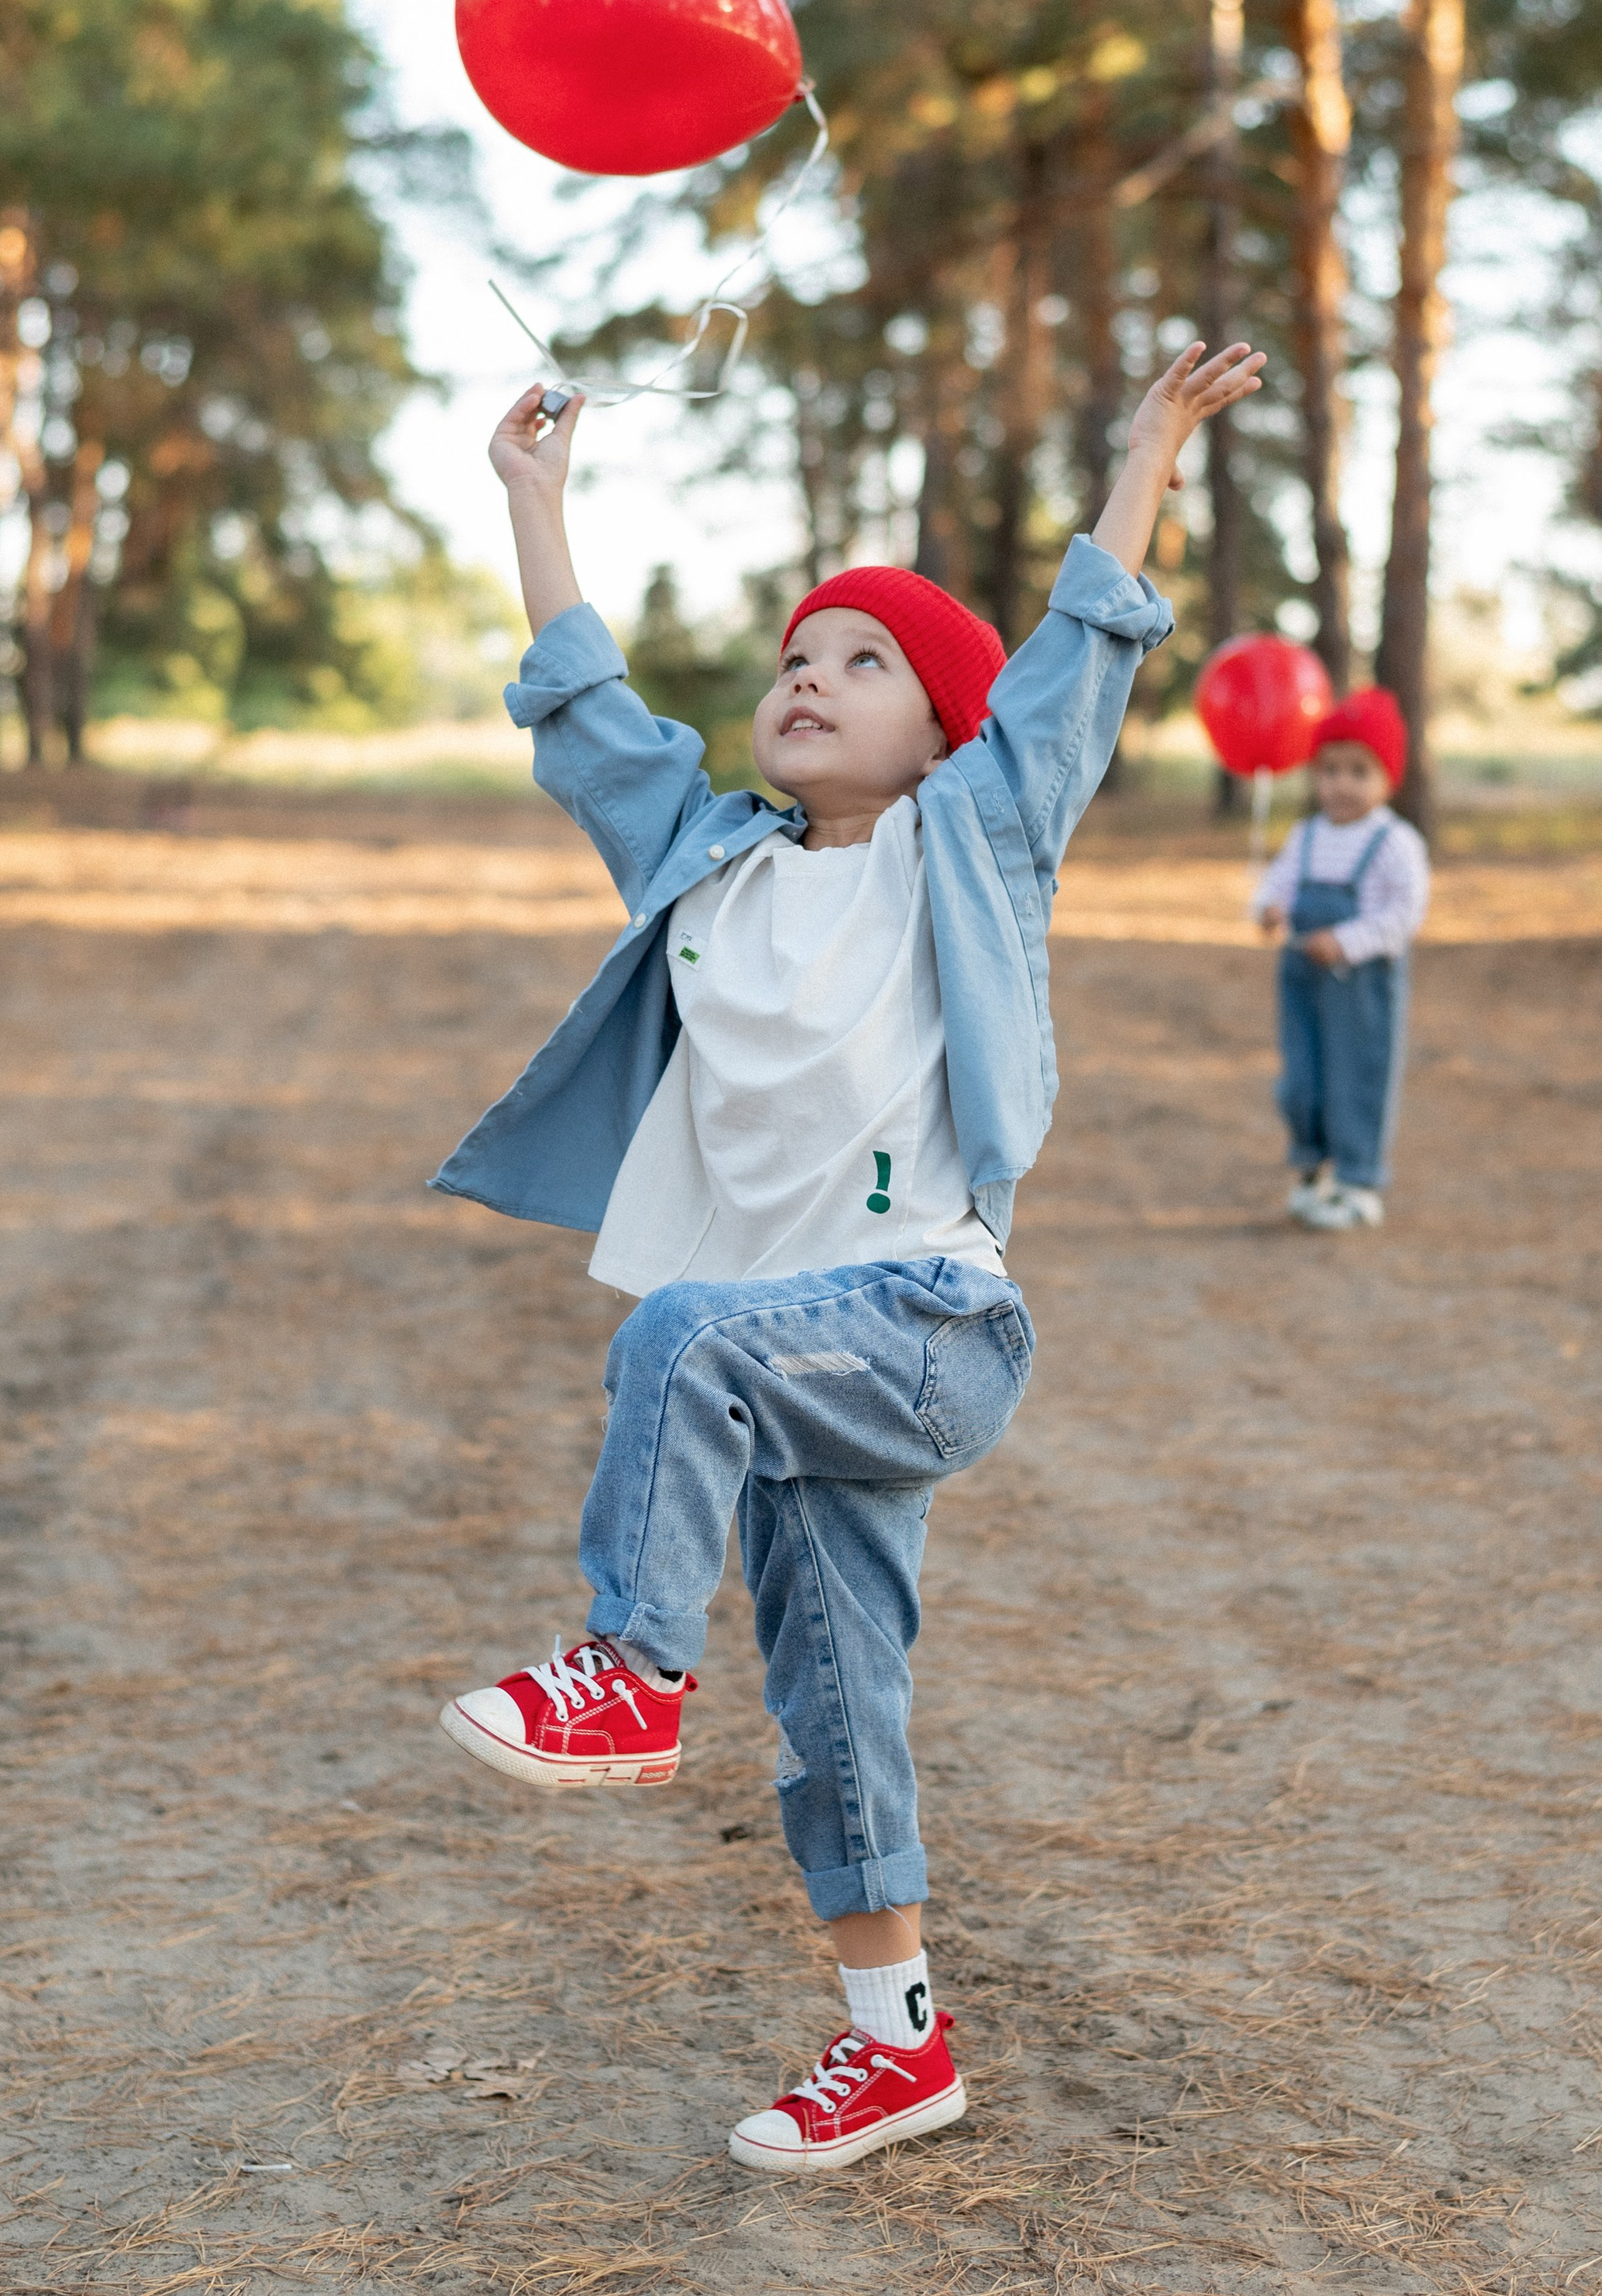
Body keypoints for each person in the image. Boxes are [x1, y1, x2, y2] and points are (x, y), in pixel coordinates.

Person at [429, 335, 1265, 2175]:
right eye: (795, 655)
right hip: (801, 1357)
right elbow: (588, 715)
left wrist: (1143, 452)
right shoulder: (706, 859)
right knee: (833, 1700)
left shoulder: (971, 842)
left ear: (942, 728)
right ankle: (895, 2041)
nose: (811, 675)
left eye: (862, 658)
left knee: (680, 1336)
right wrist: (533, 501)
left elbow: (1078, 664)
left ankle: (626, 1669)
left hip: (926, 1322)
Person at [1250, 687, 1429, 1232]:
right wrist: (1269, 909)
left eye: (1358, 770)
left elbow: (1405, 913)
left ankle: (1358, 1179)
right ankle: (1312, 1170)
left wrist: (1347, 940)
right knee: (1303, 1076)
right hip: (1303, 976)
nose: (1341, 784)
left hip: (1361, 983)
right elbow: (1274, 883)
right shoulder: (1307, 835)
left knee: (1358, 1074)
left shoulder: (1394, 841)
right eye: (1329, 770)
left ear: (1388, 777)